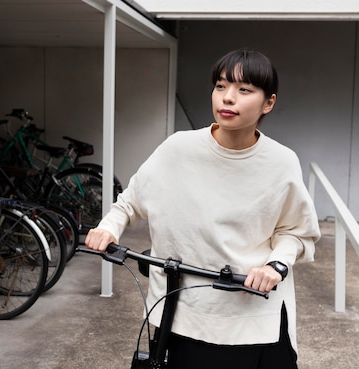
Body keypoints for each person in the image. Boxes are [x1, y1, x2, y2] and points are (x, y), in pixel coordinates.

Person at [86, 48, 320, 369]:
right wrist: (108, 228)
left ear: (268, 103)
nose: (228, 98)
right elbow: (132, 200)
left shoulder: (281, 162)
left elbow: (295, 232)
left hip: (251, 310)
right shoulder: (178, 148)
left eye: (244, 90)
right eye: (221, 86)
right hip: (184, 310)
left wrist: (275, 267)